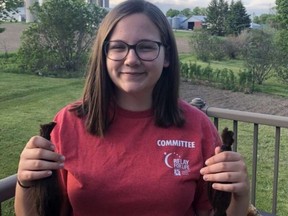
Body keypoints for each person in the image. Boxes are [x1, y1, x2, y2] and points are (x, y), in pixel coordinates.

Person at [15, 0, 250, 215]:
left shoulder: (198, 127)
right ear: (104, 55)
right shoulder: (68, 123)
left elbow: (212, 212)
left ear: (166, 56)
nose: (131, 59)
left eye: (146, 47)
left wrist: (240, 195)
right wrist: (25, 179)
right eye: (118, 47)